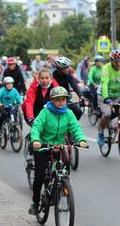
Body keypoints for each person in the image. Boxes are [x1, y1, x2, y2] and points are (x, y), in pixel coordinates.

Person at [28, 87, 87, 215]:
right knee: (40, 176)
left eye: (63, 99)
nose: (61, 102)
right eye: (57, 100)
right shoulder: (45, 112)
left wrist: (81, 139)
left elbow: (75, 127)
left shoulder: (69, 113)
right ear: (52, 100)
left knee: (65, 169)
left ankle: (62, 187)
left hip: (60, 146)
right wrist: (36, 141)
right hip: (43, 145)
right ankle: (35, 202)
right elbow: (36, 127)